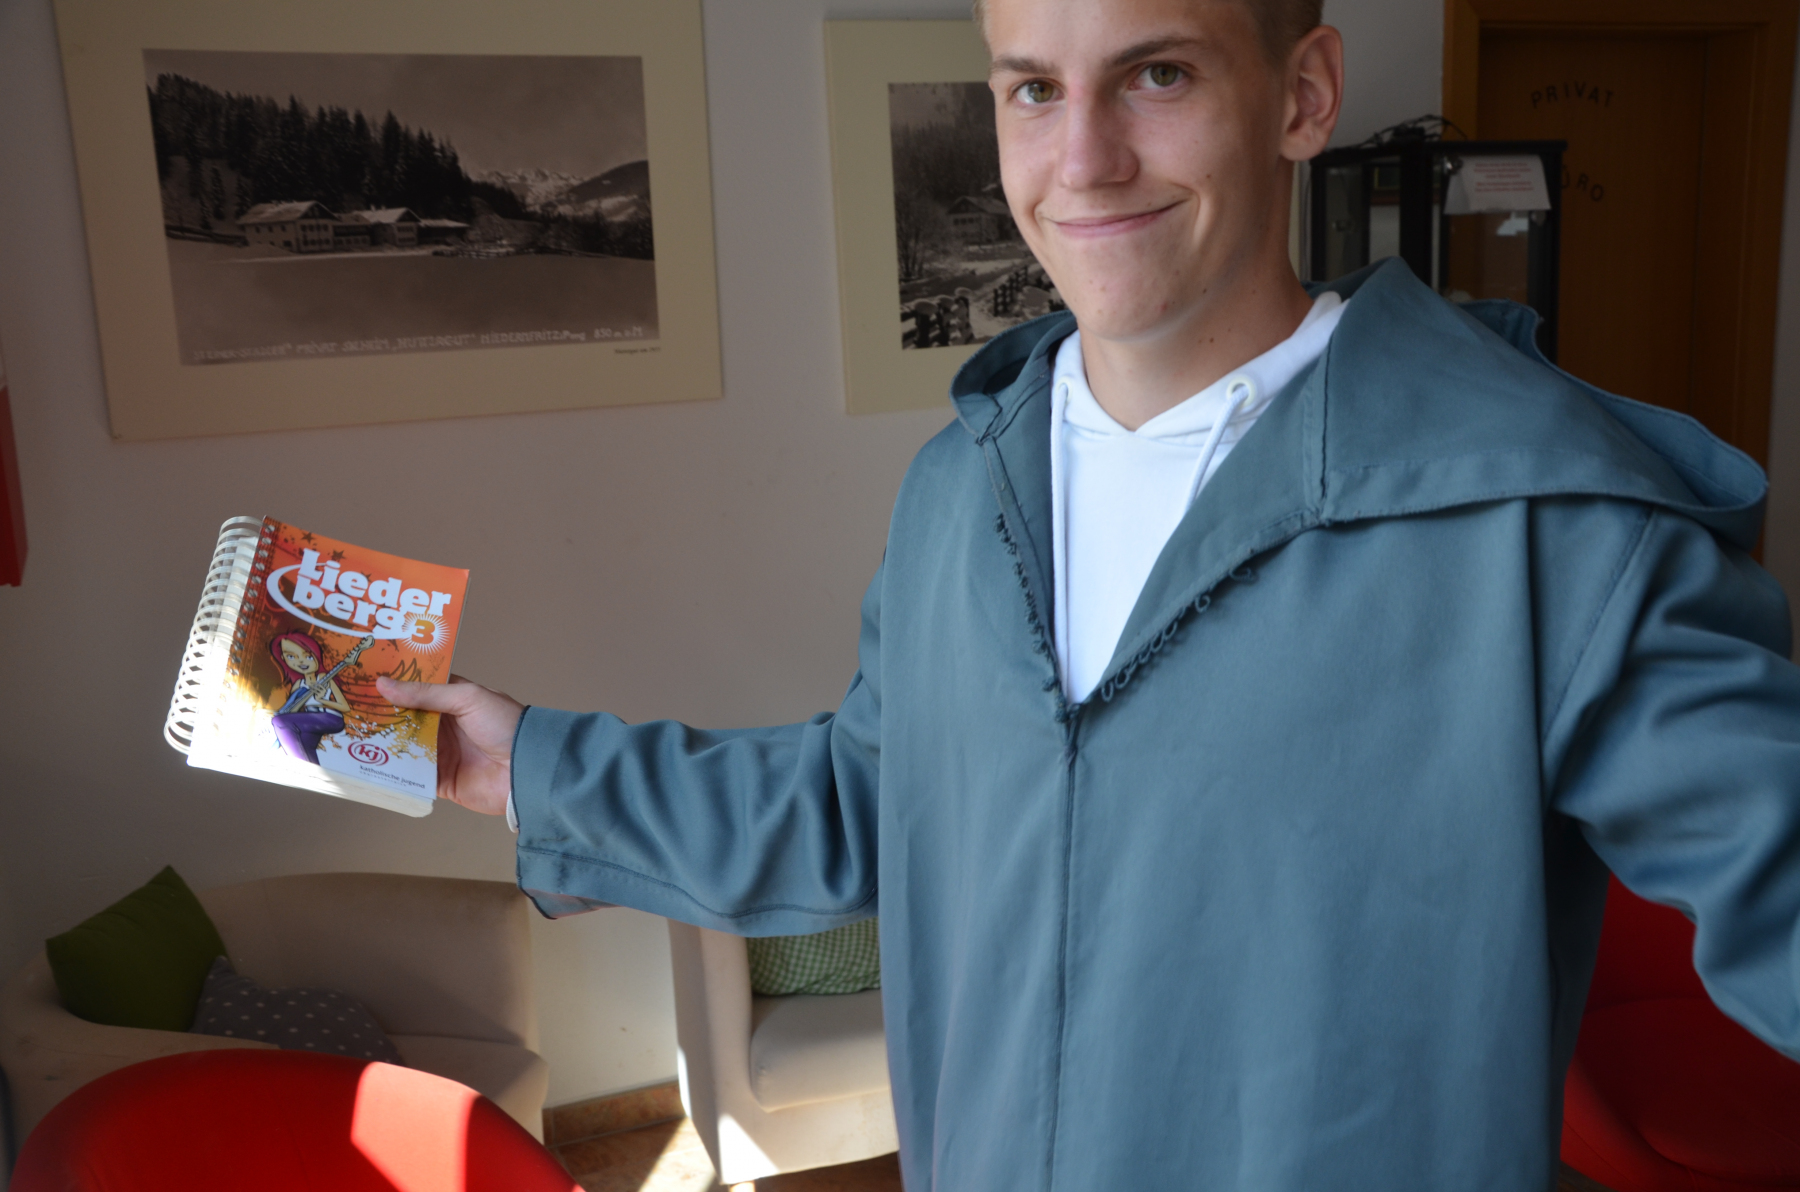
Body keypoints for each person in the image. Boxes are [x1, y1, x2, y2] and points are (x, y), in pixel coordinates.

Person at [382, 0, 1800, 1186]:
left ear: (1303, 94)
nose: (1083, 161)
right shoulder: (960, 488)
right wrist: (523, 768)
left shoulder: (1543, 518)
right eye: (1033, 89)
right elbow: (864, 801)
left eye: (1158, 75)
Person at [268, 630, 351, 764]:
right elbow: (293, 711)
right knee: (304, 747)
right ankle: (309, 772)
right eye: (291, 656)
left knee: (279, 721)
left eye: (308, 656)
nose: (301, 661)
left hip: (330, 718)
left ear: (316, 655)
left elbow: (345, 707)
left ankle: (299, 768)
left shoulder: (324, 678)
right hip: (309, 722)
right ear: (283, 658)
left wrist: (321, 701)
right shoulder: (298, 685)